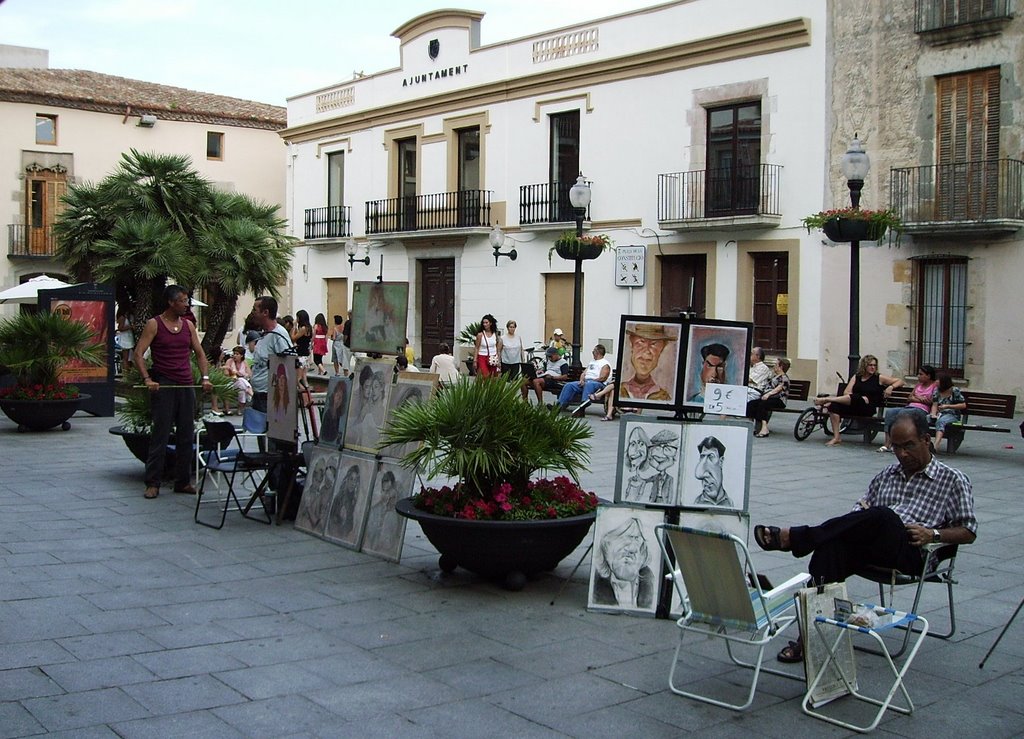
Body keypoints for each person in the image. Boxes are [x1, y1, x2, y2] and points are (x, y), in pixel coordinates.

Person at [753, 410, 977, 662]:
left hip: (913, 550)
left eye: (909, 446)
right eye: (896, 447)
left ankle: (796, 538)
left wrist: (933, 533)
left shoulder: (953, 479)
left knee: (882, 515)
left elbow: (968, 531)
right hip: (874, 546)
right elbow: (857, 514)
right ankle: (808, 638)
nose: (902, 454)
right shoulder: (886, 476)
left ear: (926, 440)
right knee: (830, 547)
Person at [133, 284, 213, 500]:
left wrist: (205, 378)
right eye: (182, 301)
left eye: (187, 300)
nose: (186, 304)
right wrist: (147, 379)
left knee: (186, 435)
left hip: (186, 384)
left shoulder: (188, 326)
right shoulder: (154, 324)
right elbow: (138, 354)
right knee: (160, 434)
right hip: (165, 384)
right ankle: (153, 483)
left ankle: (183, 481)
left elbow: (200, 354)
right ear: (171, 302)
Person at [815, 354, 902, 447]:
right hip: (854, 405)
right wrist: (860, 397)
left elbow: (900, 381)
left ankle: (827, 399)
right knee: (834, 407)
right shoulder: (857, 377)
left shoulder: (879, 378)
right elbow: (846, 392)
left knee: (854, 398)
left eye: (874, 365)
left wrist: (891, 387)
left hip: (867, 408)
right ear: (864, 366)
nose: (873, 367)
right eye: (870, 365)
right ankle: (836, 437)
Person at [591, 517, 655, 609]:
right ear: (606, 547)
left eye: (637, 539)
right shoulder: (597, 584)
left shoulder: (649, 583)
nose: (632, 548)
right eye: (623, 539)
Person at [249, 296, 293, 414]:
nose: (252, 313)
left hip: (269, 398)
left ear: (265, 312)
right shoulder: (265, 335)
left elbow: (289, 363)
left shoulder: (278, 335)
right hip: (259, 396)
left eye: (255, 310)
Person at [878, 365, 937, 453]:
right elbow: (909, 398)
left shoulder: (934, 386)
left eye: (921, 374)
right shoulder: (918, 385)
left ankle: (899, 444)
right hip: (909, 407)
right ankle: (887, 443)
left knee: (903, 413)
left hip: (922, 410)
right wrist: (919, 398)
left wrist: (917, 398)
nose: (918, 376)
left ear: (928, 376)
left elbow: (932, 401)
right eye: (918, 374)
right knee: (890, 412)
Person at [620, 323, 677, 401]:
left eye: (654, 344)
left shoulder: (663, 397)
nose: (646, 351)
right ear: (631, 343)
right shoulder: (620, 391)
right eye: (641, 342)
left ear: (662, 348)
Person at [561, 344, 611, 414]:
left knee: (589, 384)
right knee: (569, 385)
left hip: (598, 384)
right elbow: (584, 373)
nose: (592, 353)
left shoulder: (605, 364)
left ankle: (583, 404)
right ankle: (560, 405)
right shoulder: (592, 362)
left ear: (597, 352)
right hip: (587, 382)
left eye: (593, 351)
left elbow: (603, 378)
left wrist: (589, 381)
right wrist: (582, 380)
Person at [747, 357, 790, 437]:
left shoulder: (784, 377)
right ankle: (751, 425)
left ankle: (764, 428)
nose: (774, 366)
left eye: (776, 365)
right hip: (769, 399)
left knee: (762, 404)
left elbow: (780, 387)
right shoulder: (775, 376)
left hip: (779, 400)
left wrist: (768, 394)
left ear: (781, 367)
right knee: (752, 404)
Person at [692, 435, 732, 507]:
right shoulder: (696, 503)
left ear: (721, 461)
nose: (705, 474)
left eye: (711, 456)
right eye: (702, 457)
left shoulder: (730, 503)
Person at [931, 374, 967, 452]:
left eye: (938, 380)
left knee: (941, 421)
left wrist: (948, 406)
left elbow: (963, 405)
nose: (936, 381)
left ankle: (936, 445)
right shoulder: (936, 390)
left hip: (952, 415)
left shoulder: (954, 390)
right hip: (939, 414)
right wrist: (933, 414)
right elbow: (934, 404)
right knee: (924, 419)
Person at [646, 429, 680, 504]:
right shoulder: (655, 476)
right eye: (657, 448)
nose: (660, 453)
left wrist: (669, 501)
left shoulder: (670, 478)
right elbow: (647, 480)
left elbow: (670, 491)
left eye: (667, 449)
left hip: (665, 500)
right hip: (654, 499)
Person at [621, 426, 654, 502]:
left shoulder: (649, 483)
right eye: (632, 444)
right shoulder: (629, 479)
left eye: (641, 444)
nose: (636, 449)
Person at [220, 346, 253, 416]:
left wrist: (242, 375)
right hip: (230, 382)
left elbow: (249, 374)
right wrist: (232, 372)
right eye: (234, 353)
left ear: (241, 355)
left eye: (237, 354)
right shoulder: (229, 361)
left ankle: (240, 409)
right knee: (242, 384)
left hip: (240, 383)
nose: (235, 355)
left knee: (242, 388)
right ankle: (250, 392)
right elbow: (225, 374)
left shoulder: (244, 362)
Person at [319, 377, 349, 446]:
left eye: (340, 397)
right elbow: (325, 438)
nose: (338, 399)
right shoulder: (328, 414)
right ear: (334, 395)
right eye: (337, 395)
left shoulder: (342, 415)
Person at [474, 314, 501, 378]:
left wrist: (498, 359)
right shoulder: (480, 335)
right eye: (483, 323)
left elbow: (497, 347)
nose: (485, 324)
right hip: (482, 356)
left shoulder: (495, 334)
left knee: (493, 376)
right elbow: (477, 348)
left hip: (493, 357)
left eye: (486, 323)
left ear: (491, 323)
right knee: (485, 375)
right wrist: (475, 360)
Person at [291, 309, 312, 387]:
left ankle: (303, 395)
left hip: (301, 354)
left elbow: (293, 338)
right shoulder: (309, 328)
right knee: (304, 377)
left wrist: (294, 326)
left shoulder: (303, 329)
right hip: (305, 353)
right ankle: (307, 394)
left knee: (298, 378)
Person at [115, 307, 134, 374]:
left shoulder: (129, 316)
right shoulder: (122, 317)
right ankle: (126, 373)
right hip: (125, 338)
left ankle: (129, 371)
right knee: (125, 357)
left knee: (130, 357)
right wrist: (131, 327)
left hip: (130, 337)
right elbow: (120, 328)